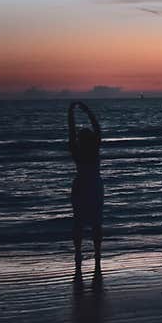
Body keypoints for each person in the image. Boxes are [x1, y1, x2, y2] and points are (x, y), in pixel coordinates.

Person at [68, 101, 104, 272]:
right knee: (96, 222)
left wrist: (71, 112)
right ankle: (97, 254)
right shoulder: (95, 148)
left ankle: (78, 252)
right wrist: (88, 111)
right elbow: (98, 128)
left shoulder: (77, 150)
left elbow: (71, 131)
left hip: (81, 185)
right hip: (94, 185)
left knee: (79, 221)